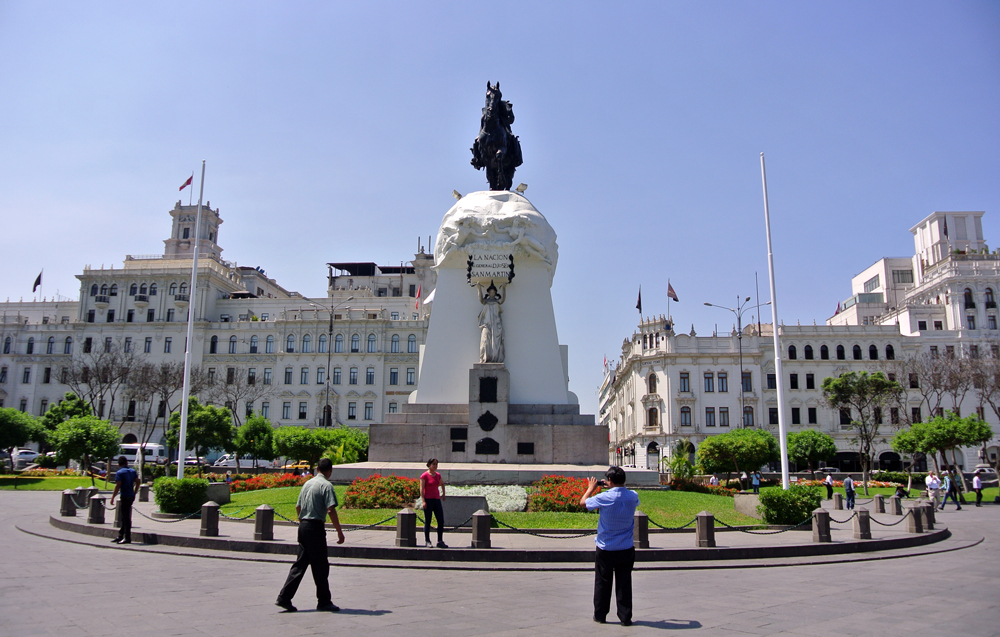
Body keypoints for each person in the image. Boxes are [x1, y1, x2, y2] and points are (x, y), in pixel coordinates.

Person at [275, 458, 345, 613]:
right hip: (315, 528)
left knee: (300, 564)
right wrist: (339, 531)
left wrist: (302, 522)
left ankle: (284, 597)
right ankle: (324, 601)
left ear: (317, 469)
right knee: (320, 565)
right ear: (330, 470)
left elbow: (298, 506)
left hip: (303, 526)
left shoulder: (307, 483)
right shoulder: (326, 485)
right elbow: (331, 510)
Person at [581, 466, 640, 627]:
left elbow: (583, 503)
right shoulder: (633, 496)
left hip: (606, 547)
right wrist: (613, 486)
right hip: (626, 548)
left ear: (610, 481)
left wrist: (591, 488)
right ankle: (625, 616)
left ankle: (600, 615)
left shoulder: (604, 497)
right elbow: (625, 494)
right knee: (624, 583)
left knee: (602, 582)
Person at [110, 456, 138, 545]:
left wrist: (112, 497)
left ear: (118, 464)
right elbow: (138, 481)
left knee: (125, 517)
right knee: (124, 516)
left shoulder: (120, 472)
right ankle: (120, 535)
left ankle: (127, 537)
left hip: (125, 495)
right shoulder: (133, 471)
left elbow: (117, 485)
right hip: (131, 495)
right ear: (126, 463)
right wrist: (135, 492)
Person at [420, 458, 448, 548]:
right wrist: (423, 501)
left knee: (440, 520)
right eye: (433, 464)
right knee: (428, 521)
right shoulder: (424, 476)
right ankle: (427, 541)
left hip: (436, 499)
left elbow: (442, 484)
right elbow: (421, 489)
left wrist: (443, 493)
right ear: (429, 464)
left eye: (436, 464)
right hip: (428, 500)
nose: (435, 466)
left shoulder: (438, 475)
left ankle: (440, 541)